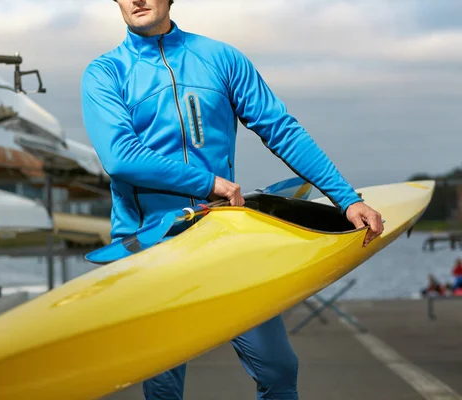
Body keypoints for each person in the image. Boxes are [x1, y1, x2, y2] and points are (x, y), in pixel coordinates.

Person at [81, 1, 384, 399]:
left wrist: (345, 200)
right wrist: (210, 183)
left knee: (278, 368)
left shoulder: (221, 58)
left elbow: (281, 130)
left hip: (221, 237)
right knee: (165, 384)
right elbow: (120, 157)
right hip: (151, 245)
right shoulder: (105, 73)